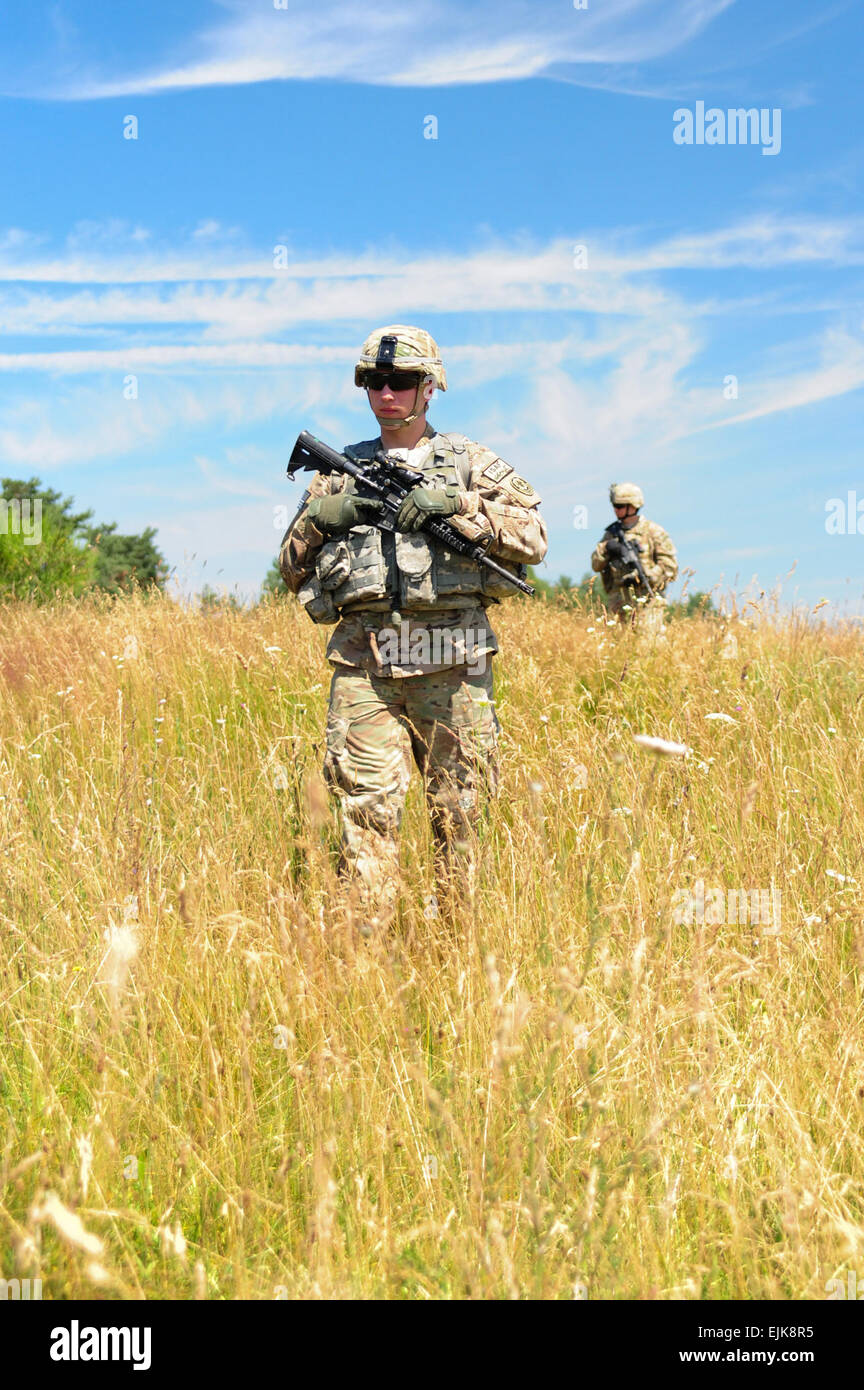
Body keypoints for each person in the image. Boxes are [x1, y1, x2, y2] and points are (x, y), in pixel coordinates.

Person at [278, 325, 548, 931]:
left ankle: (457, 954)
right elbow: (290, 568)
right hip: (365, 666)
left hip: (454, 663)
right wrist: (324, 517)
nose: (386, 394)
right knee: (364, 818)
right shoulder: (340, 472)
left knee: (461, 816)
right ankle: (365, 964)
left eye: (401, 382)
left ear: (430, 387)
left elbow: (534, 540)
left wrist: (460, 506)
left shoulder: (470, 463)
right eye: (374, 382)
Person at [591, 483, 677, 634]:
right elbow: (596, 565)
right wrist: (606, 548)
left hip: (648, 604)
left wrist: (645, 575)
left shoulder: (653, 532)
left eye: (619, 506)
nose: (615, 510)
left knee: (648, 646)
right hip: (618, 603)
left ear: (632, 506)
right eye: (615, 506)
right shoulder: (611, 534)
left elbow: (670, 567)